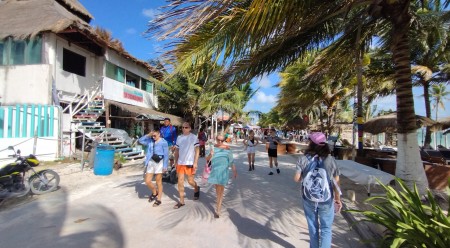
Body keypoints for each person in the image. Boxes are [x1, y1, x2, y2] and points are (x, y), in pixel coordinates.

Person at [294, 132, 342, 248]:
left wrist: (305, 176)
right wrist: (337, 199)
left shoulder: (303, 158)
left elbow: (296, 179)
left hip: (308, 198)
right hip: (326, 200)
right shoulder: (331, 160)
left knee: (313, 227)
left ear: (312, 144)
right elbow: (336, 182)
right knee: (326, 229)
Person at [206, 133, 237, 218]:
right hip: (215, 171)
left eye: (222, 140)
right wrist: (211, 154)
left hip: (224, 171)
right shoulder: (212, 148)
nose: (220, 141)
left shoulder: (228, 149)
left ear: (224, 140)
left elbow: (231, 161)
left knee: (221, 191)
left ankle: (218, 209)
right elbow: (207, 159)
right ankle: (218, 204)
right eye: (218, 140)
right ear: (216, 139)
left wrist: (234, 171)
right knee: (217, 191)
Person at [138, 128, 169, 207]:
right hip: (151, 162)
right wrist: (149, 135)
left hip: (159, 162)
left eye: (155, 135)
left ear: (159, 134)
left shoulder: (163, 142)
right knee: (147, 181)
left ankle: (159, 199)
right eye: (153, 135)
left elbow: (166, 155)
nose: (153, 137)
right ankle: (155, 192)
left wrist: (165, 166)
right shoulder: (150, 141)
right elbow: (140, 141)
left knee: (158, 181)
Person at [173, 122, 201, 209]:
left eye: (186, 127)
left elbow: (197, 150)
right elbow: (177, 151)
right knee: (180, 181)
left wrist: (195, 162)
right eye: (183, 127)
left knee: (190, 181)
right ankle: (181, 201)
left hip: (190, 163)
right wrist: (175, 161)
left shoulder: (193, 137)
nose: (184, 129)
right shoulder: (179, 137)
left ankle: (196, 188)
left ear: (190, 128)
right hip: (181, 163)